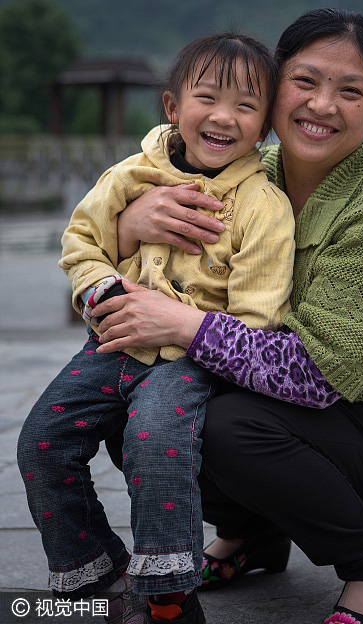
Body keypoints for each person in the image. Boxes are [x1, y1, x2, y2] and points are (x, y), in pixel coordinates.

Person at [90, 9, 363, 624]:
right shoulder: (239, 176)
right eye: (305, 81)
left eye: (350, 90)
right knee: (139, 414)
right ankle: (250, 533)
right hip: (282, 404)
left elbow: (314, 376)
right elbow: (153, 268)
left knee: (225, 429)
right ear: (273, 85)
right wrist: (126, 229)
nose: (323, 105)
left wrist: (181, 326)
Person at [17, 32, 293, 624]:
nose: (224, 117)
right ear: (173, 107)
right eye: (208, 98)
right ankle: (95, 571)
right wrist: (103, 288)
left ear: (265, 126)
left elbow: (257, 316)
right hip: (113, 341)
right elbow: (81, 241)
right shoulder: (127, 176)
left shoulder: (264, 206)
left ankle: (169, 595)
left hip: (189, 359)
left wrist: (189, 328)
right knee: (41, 440)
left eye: (246, 106)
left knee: (155, 445)